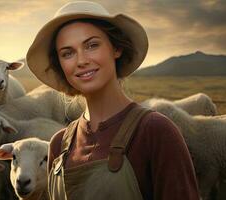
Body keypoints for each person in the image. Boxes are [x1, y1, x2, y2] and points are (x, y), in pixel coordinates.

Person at [26, 1, 199, 200]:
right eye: (68, 53)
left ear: (116, 48)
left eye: (92, 45)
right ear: (61, 65)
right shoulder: (58, 145)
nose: (81, 61)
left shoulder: (155, 132)